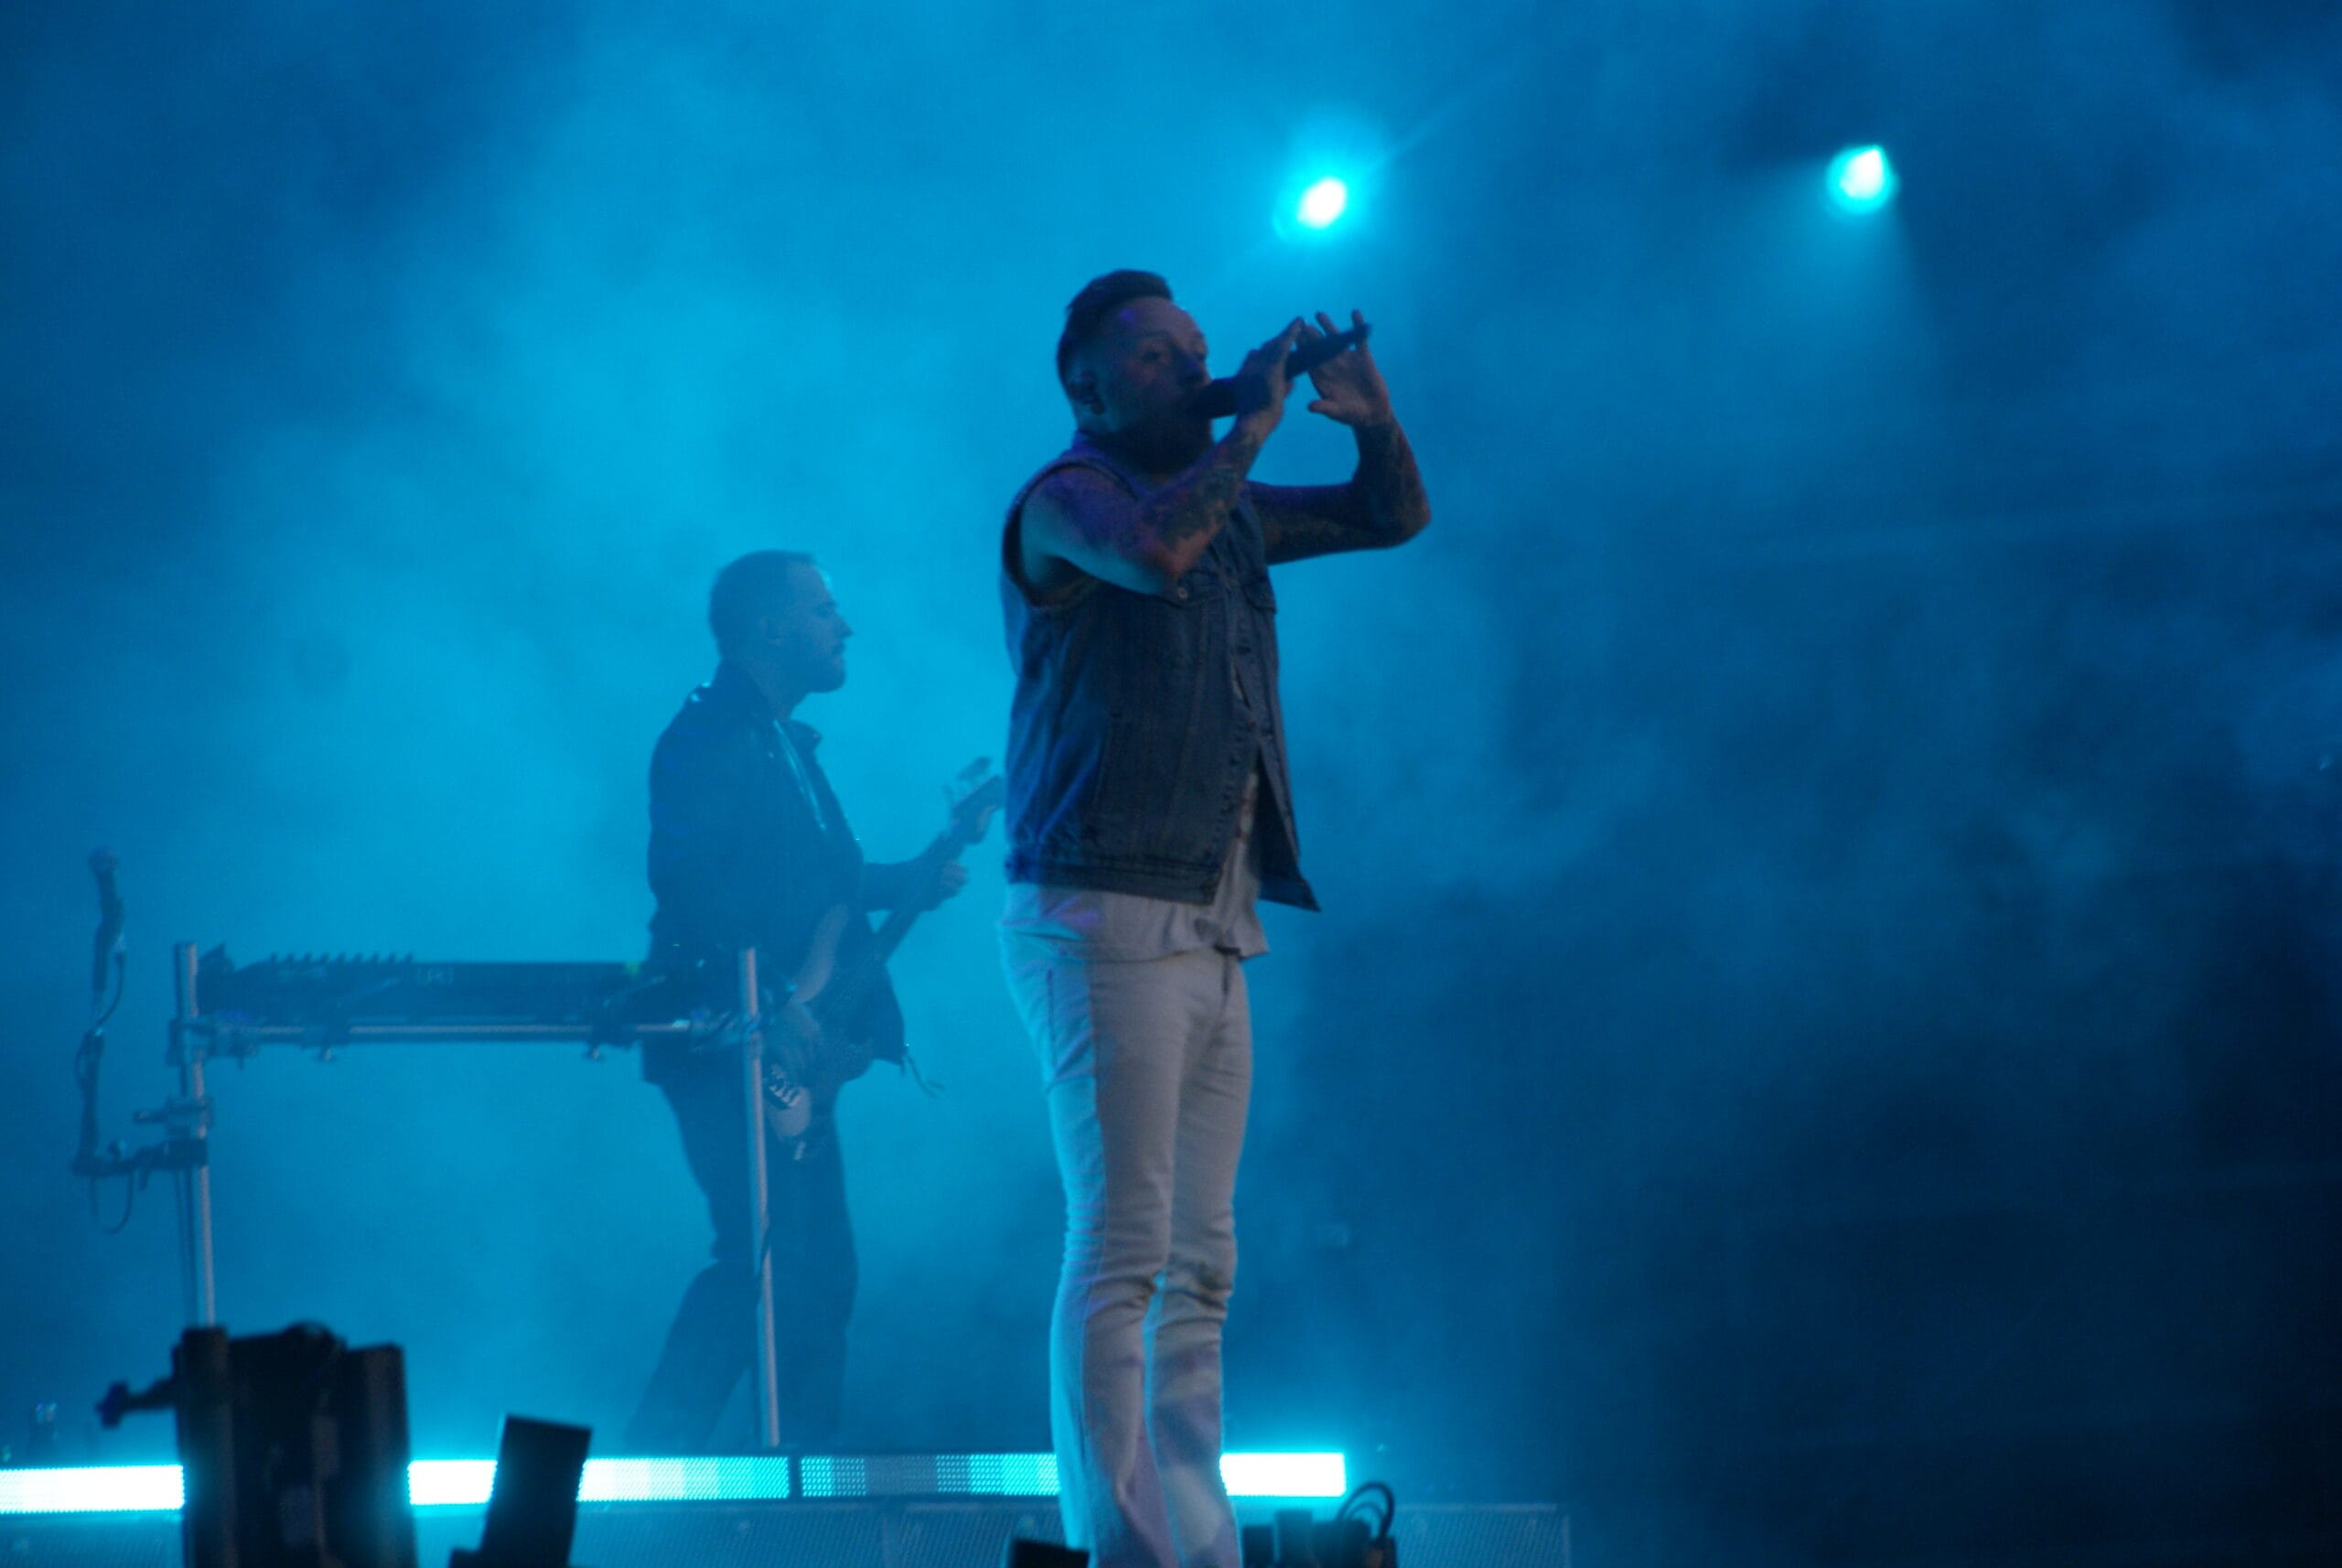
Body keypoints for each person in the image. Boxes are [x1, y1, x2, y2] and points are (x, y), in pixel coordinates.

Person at [997, 273, 1431, 1568]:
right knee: (1122, 1245)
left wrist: (1371, 420)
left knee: (1201, 1262)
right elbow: (1153, 554)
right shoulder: (1065, 499)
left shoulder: (1223, 502)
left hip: (1213, 908)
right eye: (1156, 356)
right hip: (1099, 904)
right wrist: (1248, 419)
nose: (1188, 367)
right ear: (1088, 387)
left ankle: (1197, 1545)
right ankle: (1121, 1545)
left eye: (1196, 349)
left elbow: (1392, 517)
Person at [626, 549, 968, 1452]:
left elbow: (814, 885)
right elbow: (690, 883)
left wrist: (911, 877)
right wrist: (771, 1001)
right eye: (824, 610)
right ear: (771, 628)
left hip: (783, 1041)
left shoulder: (779, 743)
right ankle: (649, 1476)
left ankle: (803, 1486)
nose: (843, 626)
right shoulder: (711, 735)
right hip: (730, 1034)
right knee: (763, 1254)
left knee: (814, 1270)